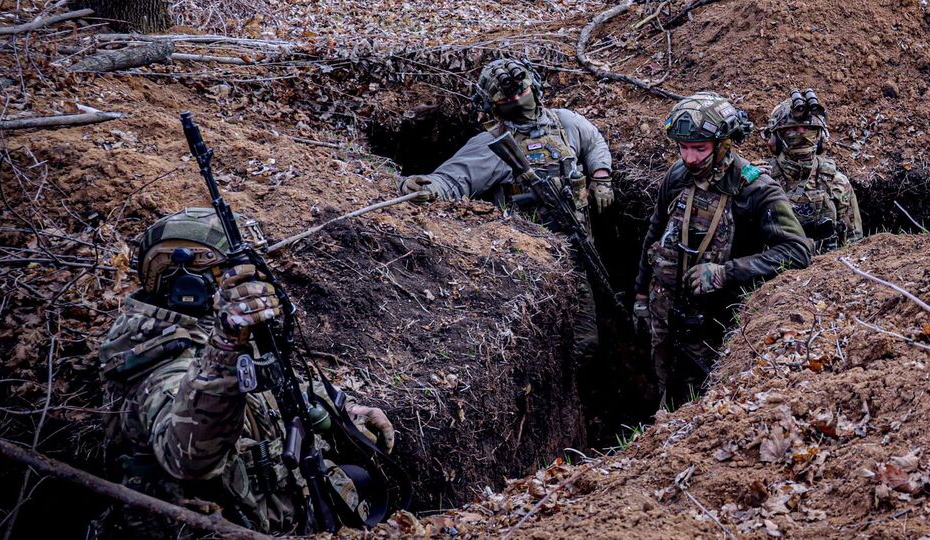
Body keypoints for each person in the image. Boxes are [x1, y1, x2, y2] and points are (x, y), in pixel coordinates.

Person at [95, 208, 395, 537]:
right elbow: (190, 456)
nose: (239, 283)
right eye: (225, 272)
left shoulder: (207, 327)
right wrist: (225, 346)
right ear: (186, 280)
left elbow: (273, 386)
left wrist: (348, 410)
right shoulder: (154, 359)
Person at [398, 57, 615, 365]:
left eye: (520, 91)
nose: (517, 100)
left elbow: (594, 143)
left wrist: (602, 177)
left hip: (580, 250)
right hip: (531, 266)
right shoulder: (493, 144)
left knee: (588, 338)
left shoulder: (566, 123)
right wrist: (426, 187)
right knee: (554, 346)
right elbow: (455, 178)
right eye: (507, 98)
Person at [632, 92, 812, 407]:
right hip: (667, 315)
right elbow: (656, 230)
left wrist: (725, 273)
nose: (689, 158)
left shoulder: (755, 190)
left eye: (699, 149)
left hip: (717, 322)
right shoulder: (677, 176)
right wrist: (641, 295)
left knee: (706, 399)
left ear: (724, 143)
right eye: (683, 148)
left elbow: (797, 251)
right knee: (666, 385)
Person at [759, 89, 863, 253]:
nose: (801, 134)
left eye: (809, 130)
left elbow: (855, 245)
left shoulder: (837, 182)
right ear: (775, 139)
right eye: (792, 130)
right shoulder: (761, 182)